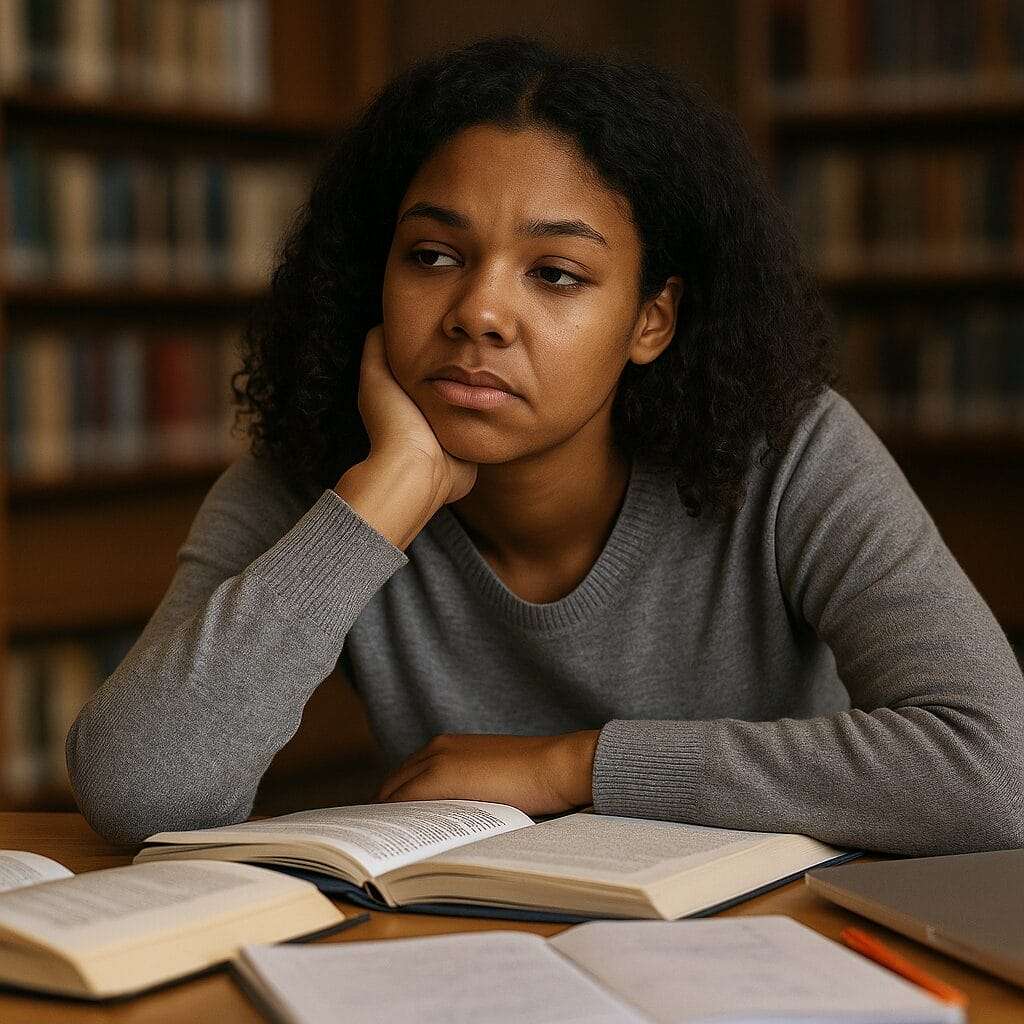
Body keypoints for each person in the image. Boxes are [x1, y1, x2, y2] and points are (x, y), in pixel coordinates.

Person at [67, 35, 1023, 853]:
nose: (479, 311)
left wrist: (575, 765)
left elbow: (997, 768)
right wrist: (385, 497)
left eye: (557, 274)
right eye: (433, 256)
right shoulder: (322, 483)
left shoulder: (789, 456)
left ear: (652, 320)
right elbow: (138, 792)